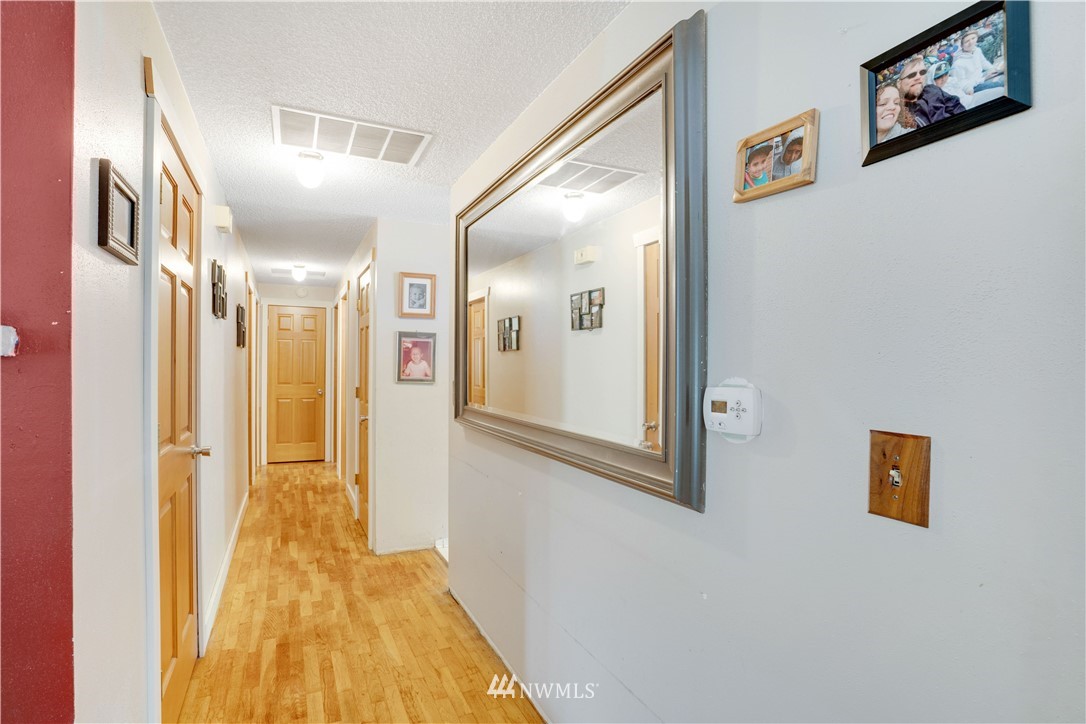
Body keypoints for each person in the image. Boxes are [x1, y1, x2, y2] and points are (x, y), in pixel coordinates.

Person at [896, 56, 965, 127]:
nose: (918, 77)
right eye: (911, 75)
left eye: (922, 72)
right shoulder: (896, 111)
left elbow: (955, 106)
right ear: (899, 83)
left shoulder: (932, 89)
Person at [951, 29, 1004, 95]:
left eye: (973, 38)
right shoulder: (958, 64)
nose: (971, 42)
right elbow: (961, 84)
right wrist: (984, 79)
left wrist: (993, 69)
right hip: (973, 86)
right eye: (967, 41)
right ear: (961, 46)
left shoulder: (977, 50)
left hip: (981, 76)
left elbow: (983, 62)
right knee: (1003, 81)